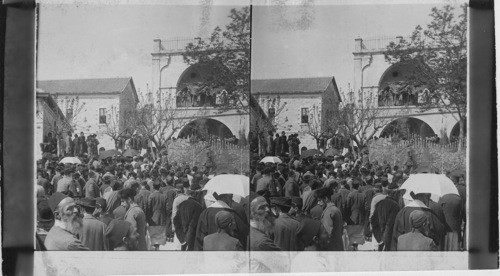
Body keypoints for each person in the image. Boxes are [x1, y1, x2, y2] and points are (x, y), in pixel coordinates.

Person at [370, 182, 400, 251]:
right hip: (389, 241)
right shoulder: (395, 206)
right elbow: (389, 225)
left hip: (382, 240)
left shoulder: (380, 203)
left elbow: (373, 220)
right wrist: (384, 240)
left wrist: (379, 238)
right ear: (395, 193)